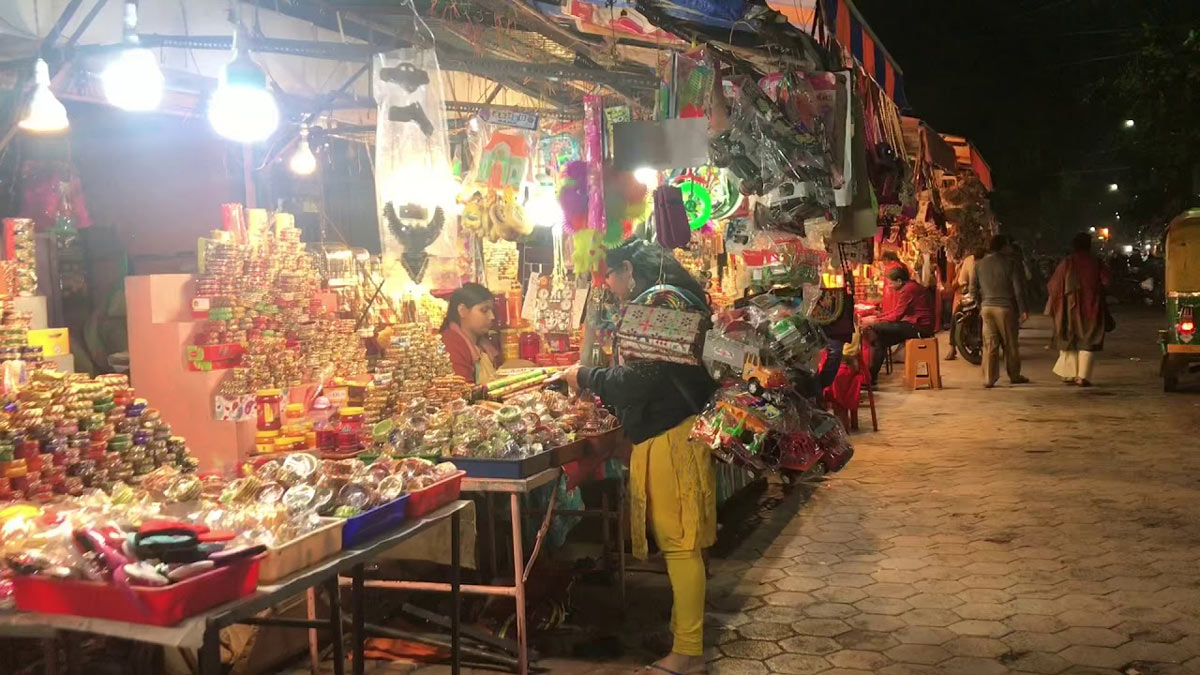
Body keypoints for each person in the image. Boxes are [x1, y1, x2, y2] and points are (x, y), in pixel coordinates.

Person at [560, 240, 717, 675]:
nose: (608, 286)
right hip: (673, 432)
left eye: (609, 276)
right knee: (682, 544)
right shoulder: (672, 300)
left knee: (680, 546)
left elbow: (639, 381)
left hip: (672, 436)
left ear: (627, 269)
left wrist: (584, 375)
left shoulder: (659, 302)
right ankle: (682, 634)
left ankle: (688, 653)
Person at [1046, 232, 1111, 386]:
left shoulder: (1067, 262)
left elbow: (1053, 286)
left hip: (1069, 309)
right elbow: (1107, 281)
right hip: (1091, 306)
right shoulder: (1096, 262)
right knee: (1088, 340)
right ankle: (1083, 376)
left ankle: (1069, 374)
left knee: (1070, 340)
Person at [972, 235, 1030, 388]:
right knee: (1010, 343)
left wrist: (980, 306)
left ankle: (988, 379)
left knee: (990, 344)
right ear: (1004, 247)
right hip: (1005, 308)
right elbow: (1018, 290)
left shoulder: (979, 264)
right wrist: (1023, 309)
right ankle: (1015, 375)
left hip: (986, 308)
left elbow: (973, 289)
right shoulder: (1010, 263)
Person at [862, 265, 934, 383]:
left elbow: (897, 315)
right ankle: (871, 377)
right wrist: (877, 317)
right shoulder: (909, 287)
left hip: (919, 327)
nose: (890, 286)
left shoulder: (908, 289)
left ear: (899, 281)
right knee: (881, 339)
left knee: (875, 328)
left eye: (891, 283)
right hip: (913, 324)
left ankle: (870, 376)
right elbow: (896, 311)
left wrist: (874, 321)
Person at [440, 283, 501, 384]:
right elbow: (463, 390)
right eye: (484, 310)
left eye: (492, 310)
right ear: (462, 311)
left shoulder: (482, 343)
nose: (492, 316)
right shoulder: (450, 345)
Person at [946, 247, 985, 360]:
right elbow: (962, 281)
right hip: (972, 295)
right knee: (956, 314)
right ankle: (952, 347)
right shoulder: (969, 261)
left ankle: (952, 348)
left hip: (982, 296)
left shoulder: (980, 261)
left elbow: (962, 281)